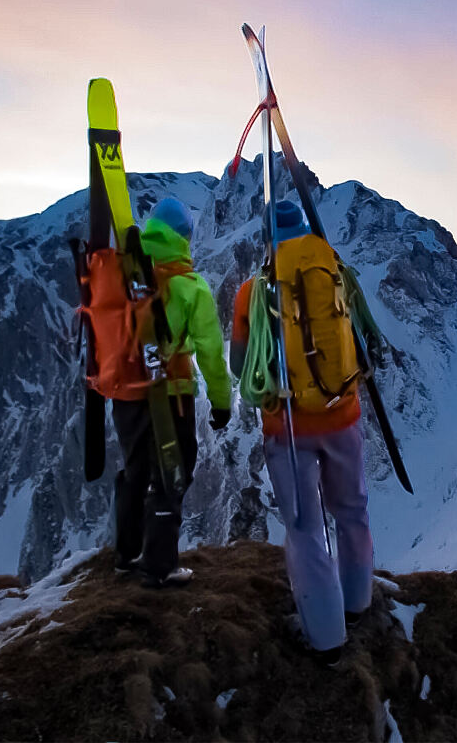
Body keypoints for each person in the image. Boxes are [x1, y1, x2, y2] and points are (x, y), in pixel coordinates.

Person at [230, 200, 372, 666]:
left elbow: (239, 367)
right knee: (352, 512)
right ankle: (358, 604)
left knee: (306, 528)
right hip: (342, 415)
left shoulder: (253, 292)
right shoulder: (337, 272)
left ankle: (327, 639)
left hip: (287, 428)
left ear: (266, 239)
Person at [112, 196, 232, 587]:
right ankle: (159, 565)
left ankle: (126, 555)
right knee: (172, 474)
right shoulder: (189, 286)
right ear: (184, 239)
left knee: (134, 471)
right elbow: (211, 352)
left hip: (126, 393)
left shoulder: (124, 275)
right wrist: (220, 403)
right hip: (172, 395)